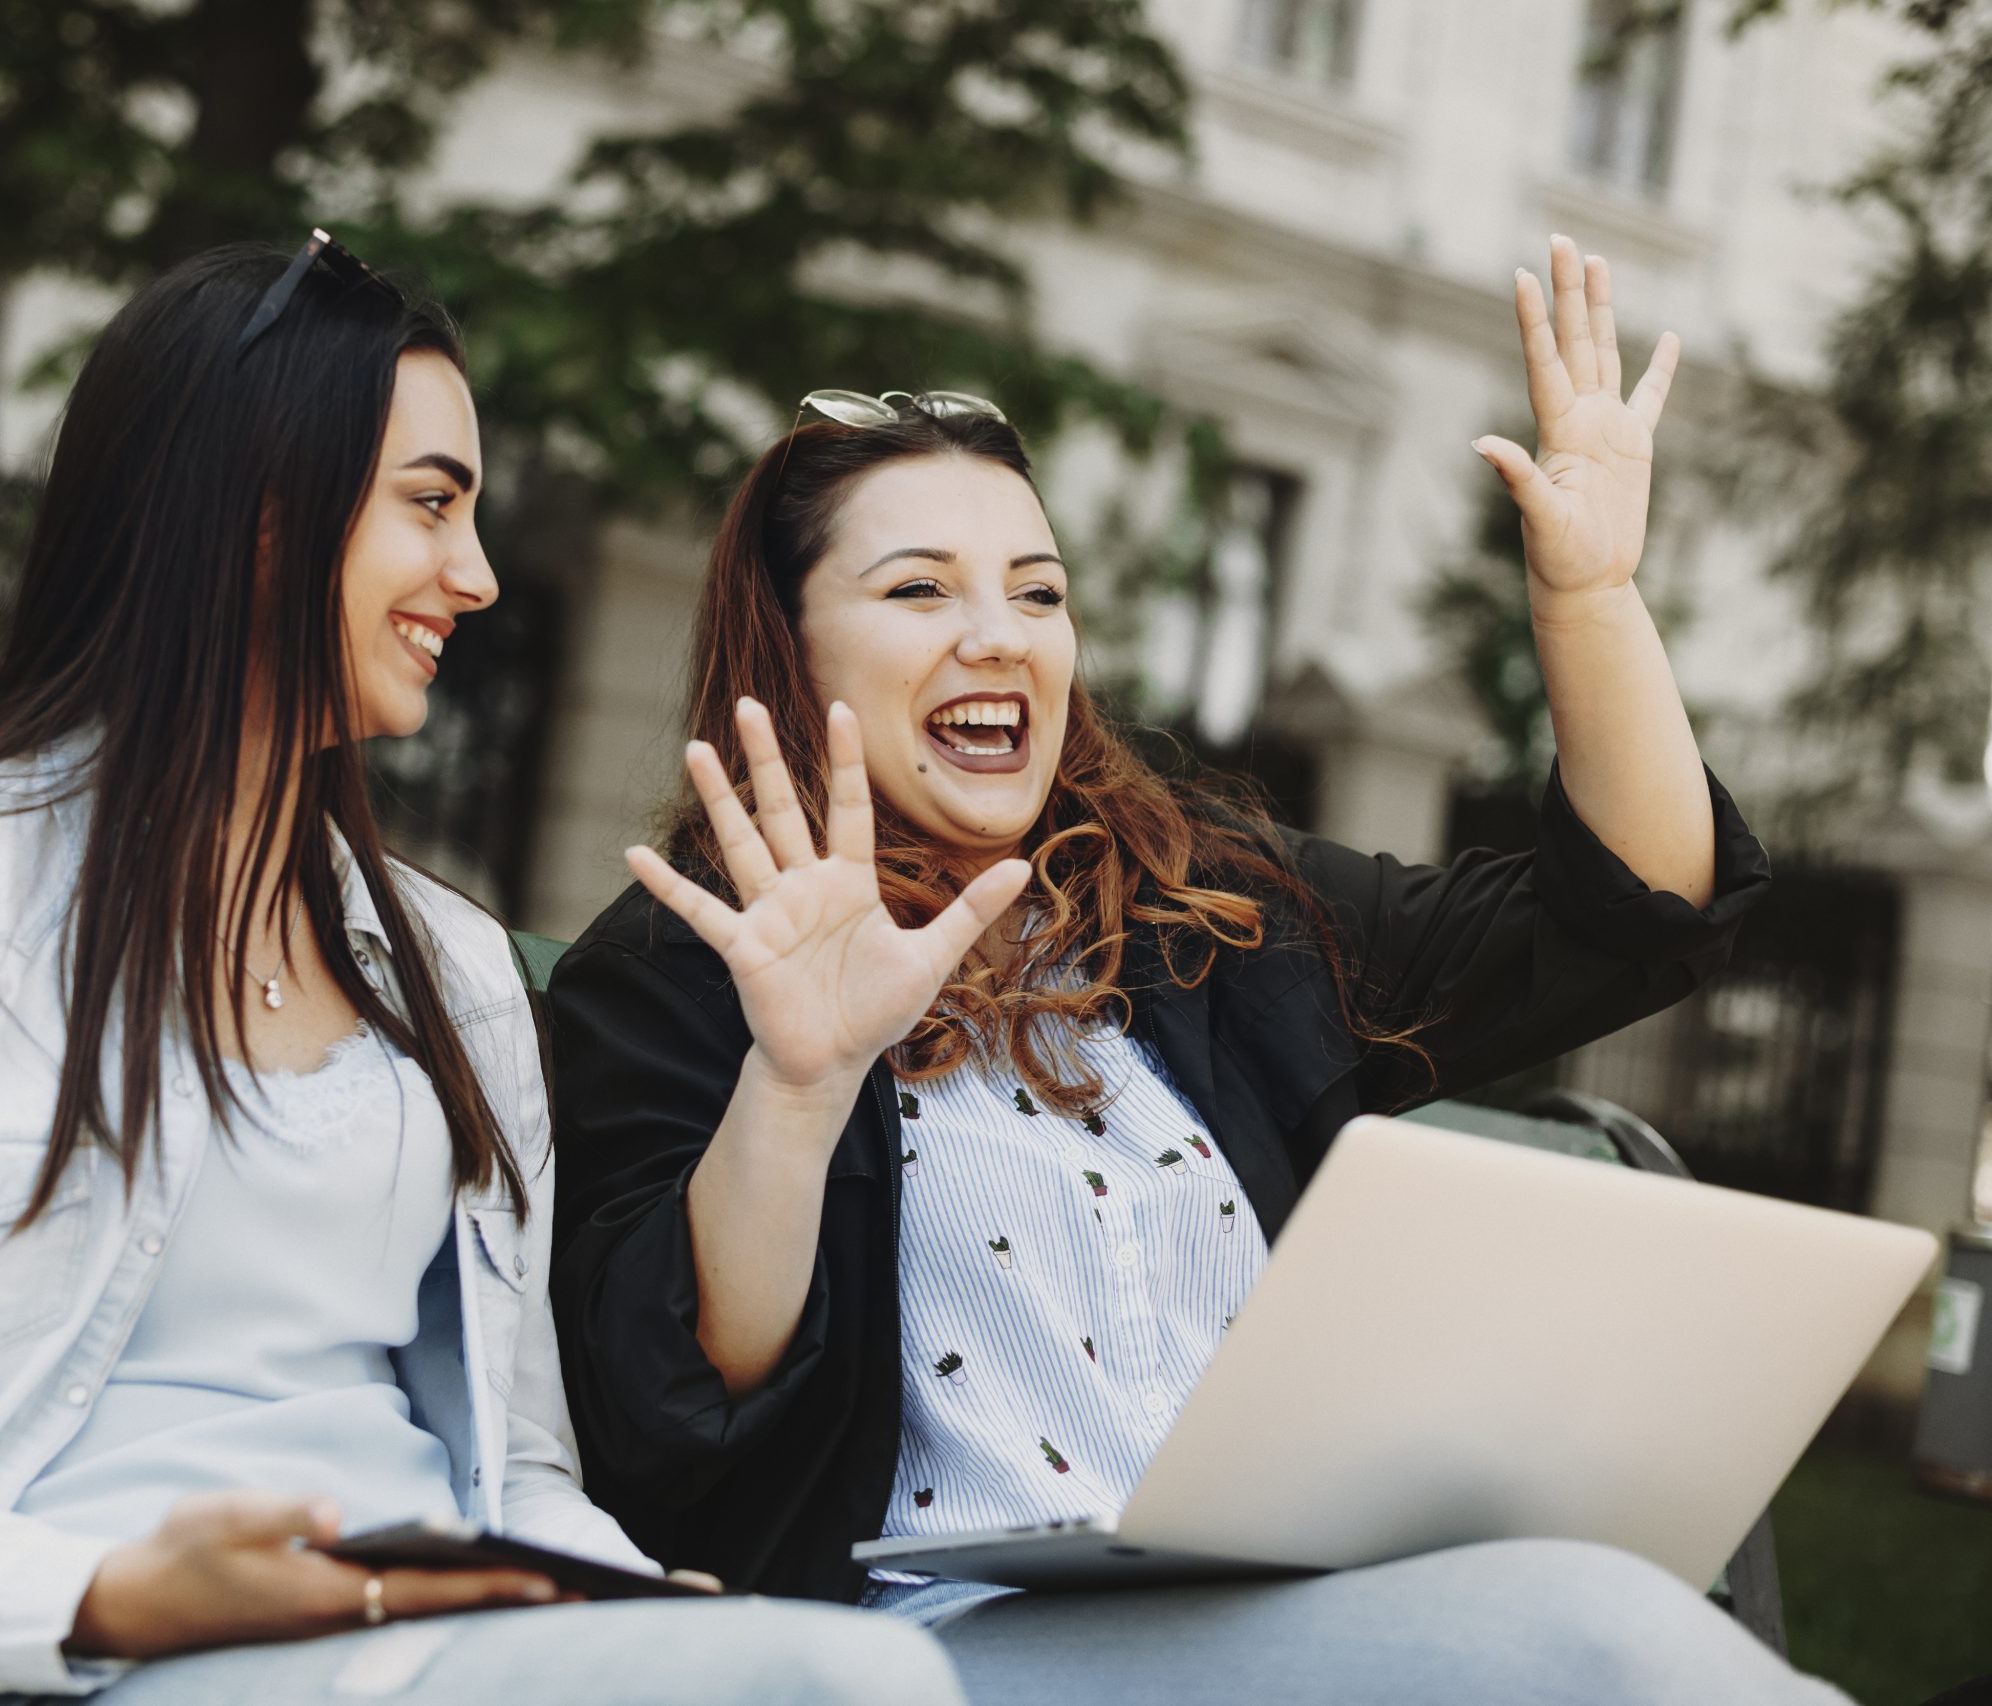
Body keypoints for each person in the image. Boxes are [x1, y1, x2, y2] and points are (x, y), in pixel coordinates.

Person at [0, 236, 964, 1706]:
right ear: (254, 511)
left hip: (411, 1651)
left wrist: (626, 1608)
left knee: (848, 1679)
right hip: (65, 1664)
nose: (473, 577)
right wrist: (118, 1596)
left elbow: (519, 1468)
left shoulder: (455, 974)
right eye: (430, 505)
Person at [546, 236, 1846, 1703]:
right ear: (788, 647)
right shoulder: (679, 969)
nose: (1000, 636)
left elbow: (1639, 907)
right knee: (1593, 1634)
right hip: (931, 1651)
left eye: (1038, 594)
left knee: (1593, 1608)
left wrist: (1591, 594)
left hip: (1279, 1618)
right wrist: (797, 1079)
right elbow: (672, 1414)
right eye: (920, 591)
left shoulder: (1200, 910)